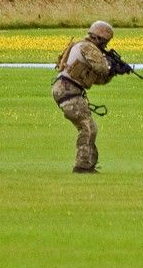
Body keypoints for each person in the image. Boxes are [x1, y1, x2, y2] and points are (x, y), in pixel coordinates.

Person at [51, 20, 119, 174]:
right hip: (67, 90)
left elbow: (98, 79)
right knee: (87, 127)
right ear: (99, 38)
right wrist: (111, 66)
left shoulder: (82, 46)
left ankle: (87, 165)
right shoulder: (88, 47)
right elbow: (102, 67)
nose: (105, 46)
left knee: (89, 127)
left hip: (66, 90)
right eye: (105, 42)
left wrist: (113, 73)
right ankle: (82, 166)